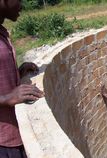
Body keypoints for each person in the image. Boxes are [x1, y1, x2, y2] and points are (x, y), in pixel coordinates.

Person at [0, 0, 44, 157]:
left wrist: (17, 73)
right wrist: (6, 98)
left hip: (15, 134)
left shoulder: (2, 31)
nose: (22, 4)